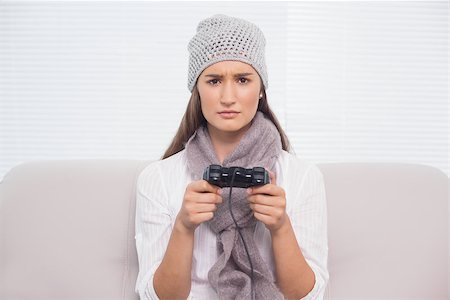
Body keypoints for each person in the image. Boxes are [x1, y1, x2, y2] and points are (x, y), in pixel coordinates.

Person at [135, 14, 329, 300]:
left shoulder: (303, 177)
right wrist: (184, 226)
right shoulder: (158, 179)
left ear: (261, 89)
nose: (228, 97)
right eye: (213, 81)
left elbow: (309, 296)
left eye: (242, 79)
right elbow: (157, 297)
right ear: (197, 92)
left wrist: (280, 227)